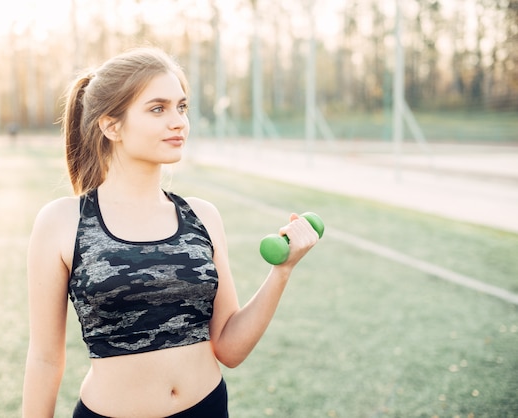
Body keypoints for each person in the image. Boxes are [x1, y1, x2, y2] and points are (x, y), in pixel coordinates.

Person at [22, 47, 319, 418]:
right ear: (111, 125)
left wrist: (282, 271)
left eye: (181, 107)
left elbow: (229, 348)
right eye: (158, 109)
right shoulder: (63, 221)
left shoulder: (202, 216)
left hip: (207, 408)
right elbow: (45, 359)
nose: (178, 121)